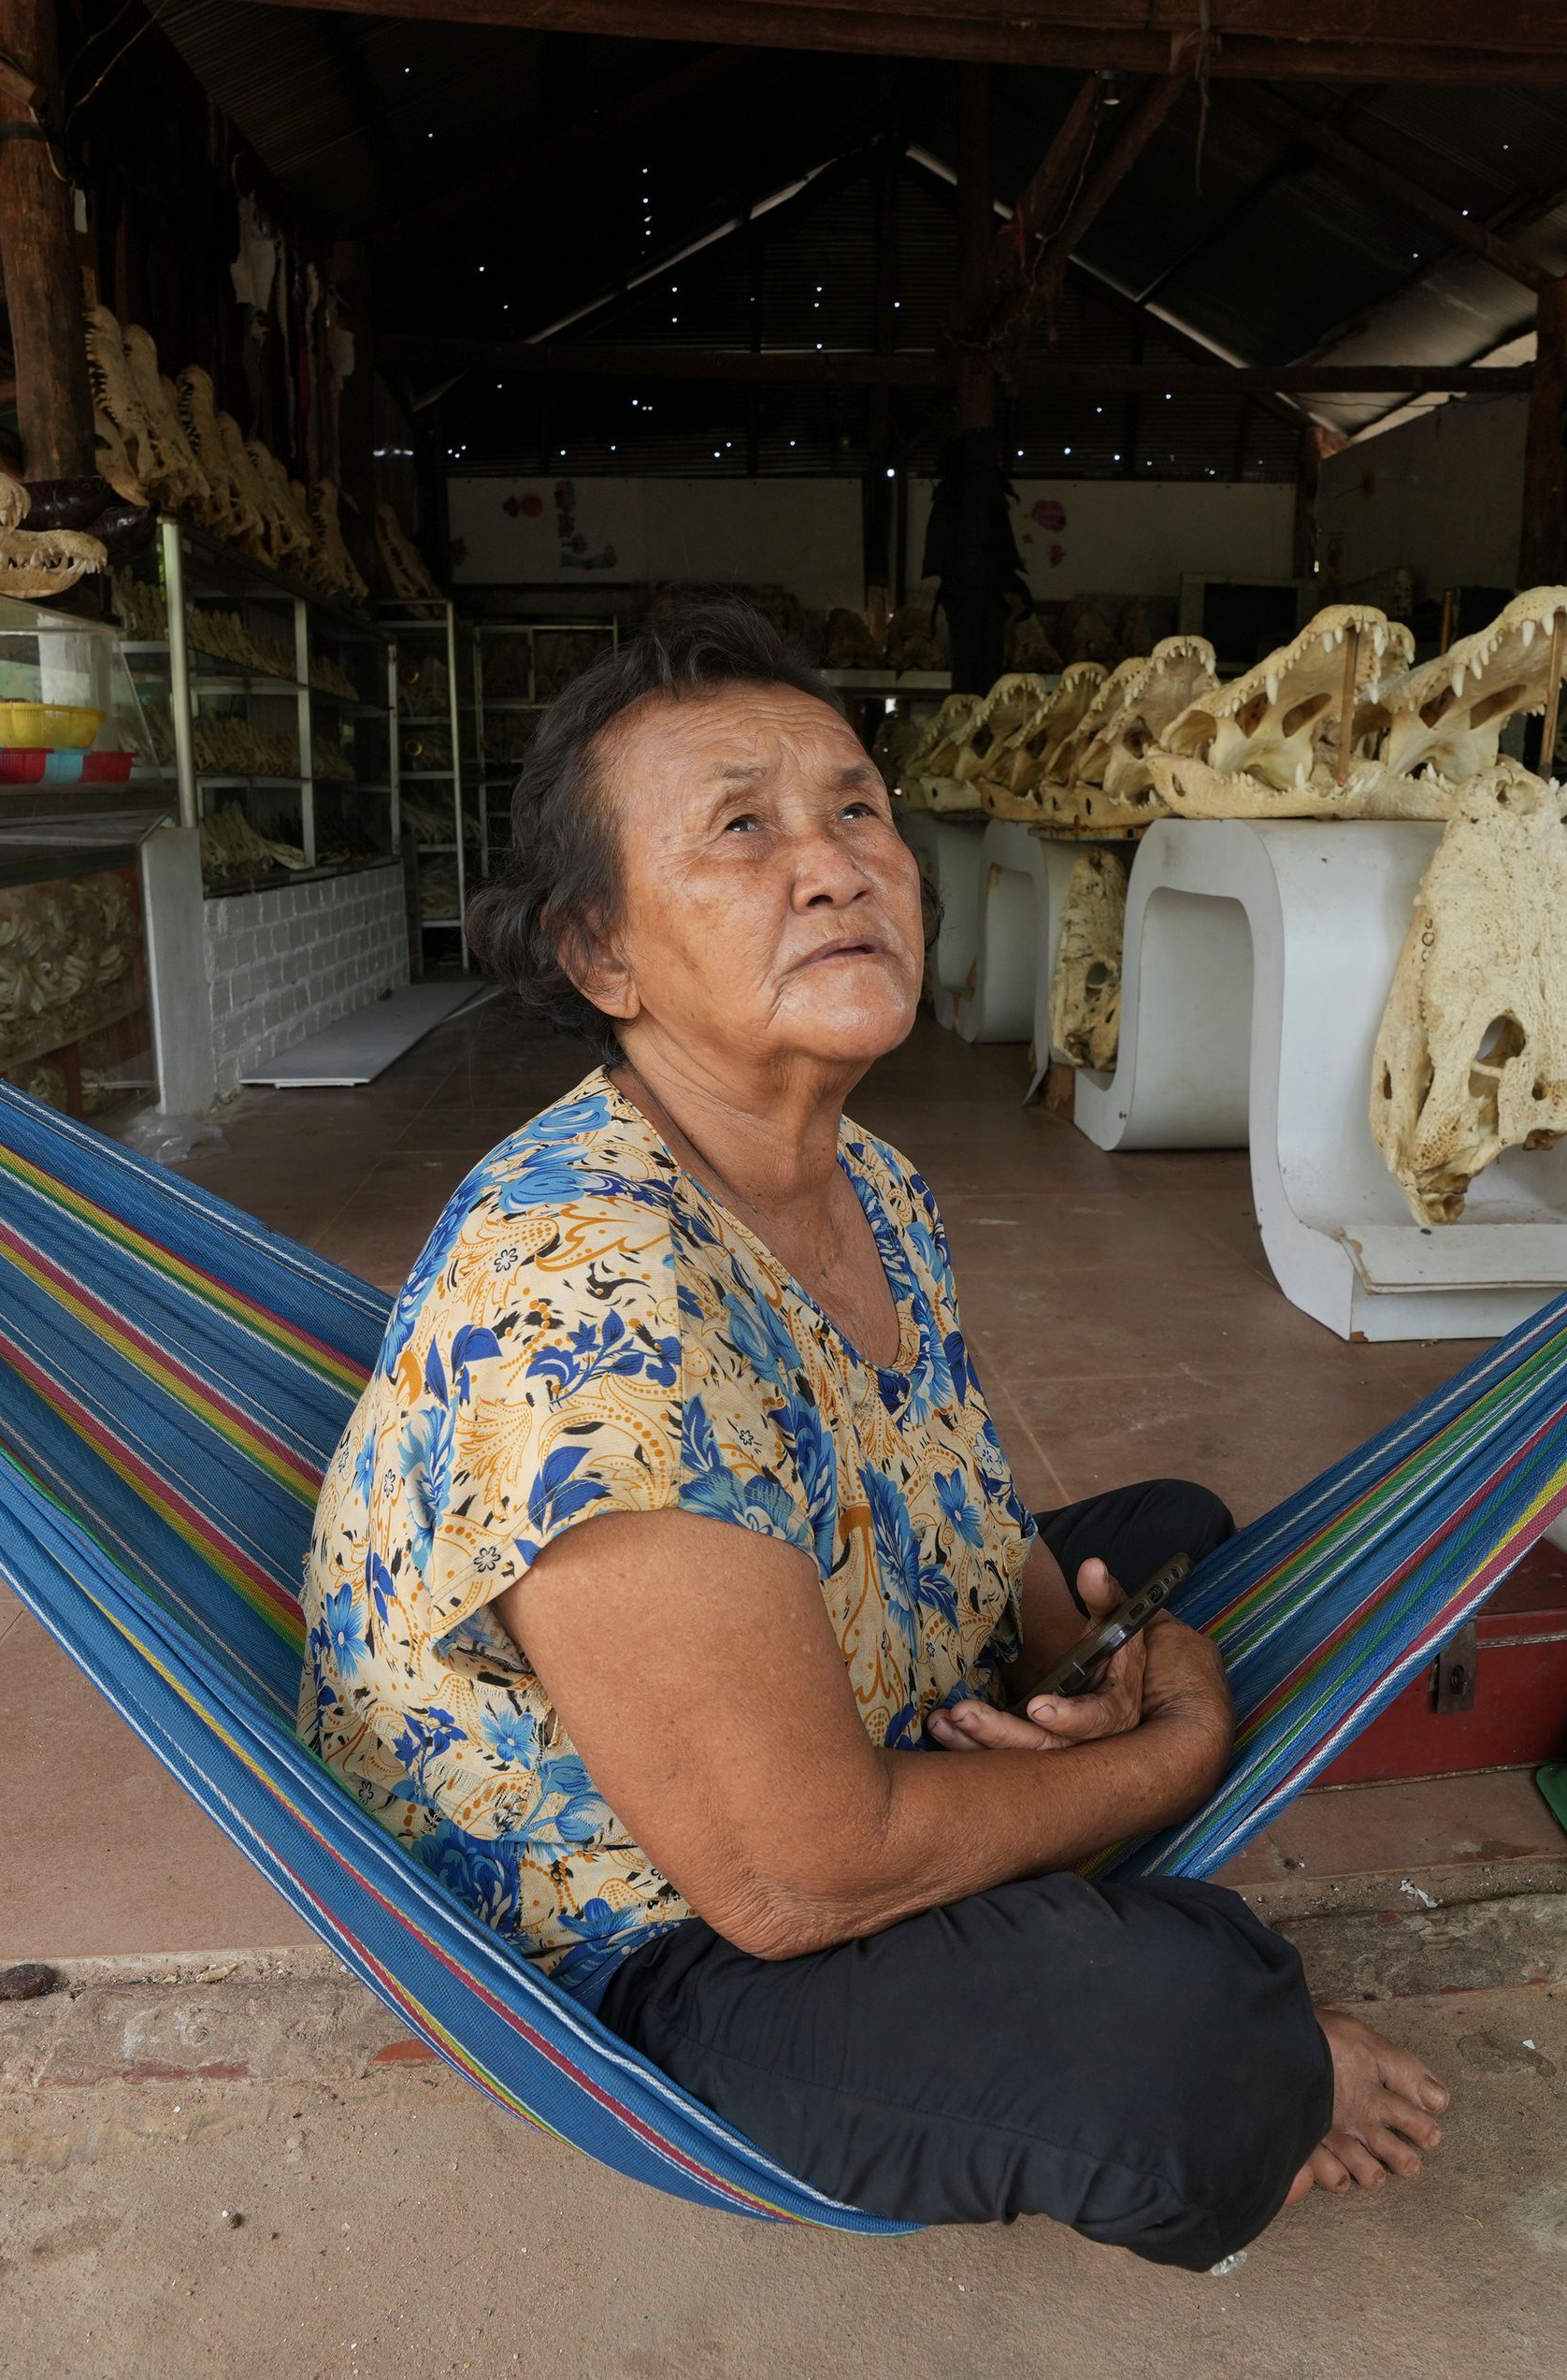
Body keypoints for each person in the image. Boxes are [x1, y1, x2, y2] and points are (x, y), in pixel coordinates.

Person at [303, 605, 1449, 2270]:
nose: (835, 867)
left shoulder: (873, 1186)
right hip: (654, 1925)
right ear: (601, 956)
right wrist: (1165, 1746)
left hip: (827, 1694)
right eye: (742, 830)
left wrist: (1090, 1647)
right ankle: (1175, 1967)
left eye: (855, 810)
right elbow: (791, 1884)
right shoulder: (584, 1302)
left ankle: (1045, 1850)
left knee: (1182, 1521)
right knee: (1192, 2055)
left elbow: (967, 1518)